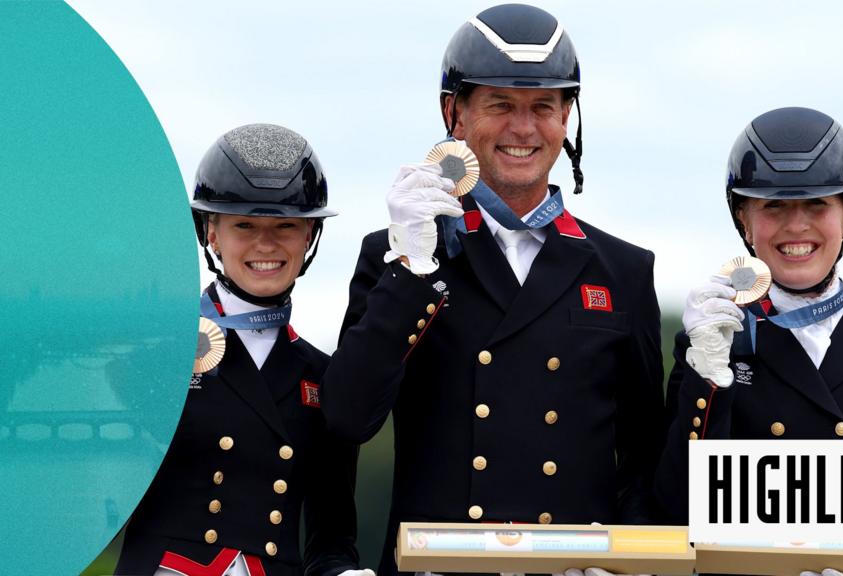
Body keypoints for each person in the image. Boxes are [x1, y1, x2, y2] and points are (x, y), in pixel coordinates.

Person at [321, 5, 665, 575]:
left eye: (543, 107)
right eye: (500, 105)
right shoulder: (395, 253)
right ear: (454, 114)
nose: (523, 128)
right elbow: (347, 419)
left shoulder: (623, 271)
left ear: (566, 118)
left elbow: (644, 458)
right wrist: (411, 267)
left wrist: (626, 558)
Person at [654, 107, 843, 574]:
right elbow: (674, 513)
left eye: (818, 204)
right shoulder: (713, 344)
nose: (797, 226)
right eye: (773, 206)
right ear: (744, 220)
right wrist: (707, 374)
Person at [116, 124, 371, 576]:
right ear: (210, 232)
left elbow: (330, 542)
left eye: (286, 226)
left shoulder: (323, 376)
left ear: (310, 235)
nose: (266, 244)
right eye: (245, 225)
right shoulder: (154, 353)